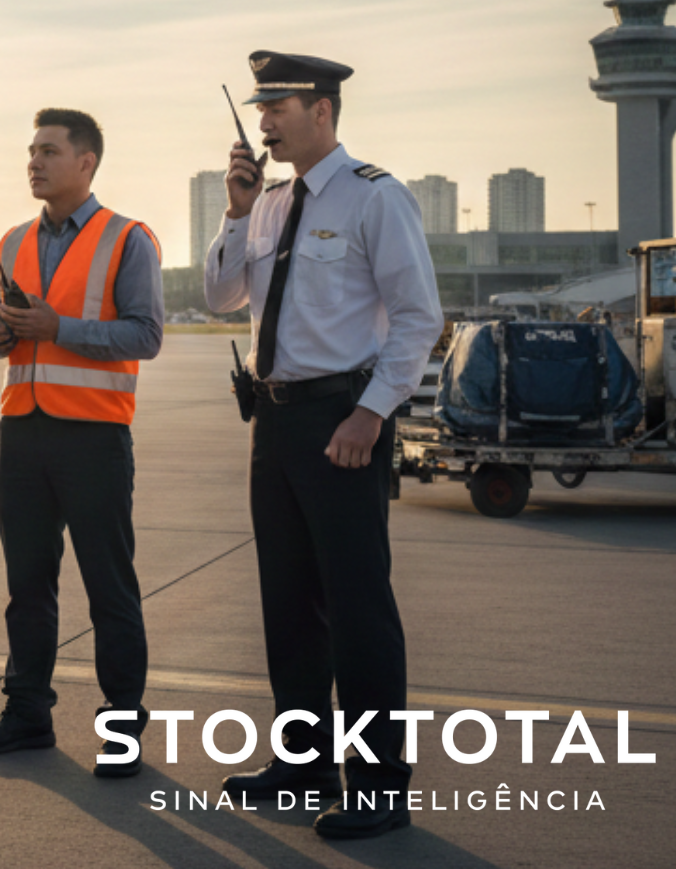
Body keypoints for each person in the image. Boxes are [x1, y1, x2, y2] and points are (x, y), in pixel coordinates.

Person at [205, 52, 442, 840]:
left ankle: (378, 786)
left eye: (278, 106)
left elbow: (418, 318)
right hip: (273, 422)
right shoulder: (268, 204)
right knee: (289, 600)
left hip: (343, 420)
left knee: (357, 606)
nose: (263, 121)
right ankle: (304, 760)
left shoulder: (376, 196)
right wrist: (236, 213)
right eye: (259, 107)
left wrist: (372, 415)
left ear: (323, 110)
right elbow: (220, 297)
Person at [0, 109, 162, 775]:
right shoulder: (15, 240)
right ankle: (26, 714)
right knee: (27, 585)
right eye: (30, 151)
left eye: (49, 151)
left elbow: (146, 335)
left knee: (109, 586)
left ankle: (123, 729)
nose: (34, 162)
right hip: (22, 430)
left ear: (87, 162)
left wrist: (59, 328)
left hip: (94, 436)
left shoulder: (128, 239)